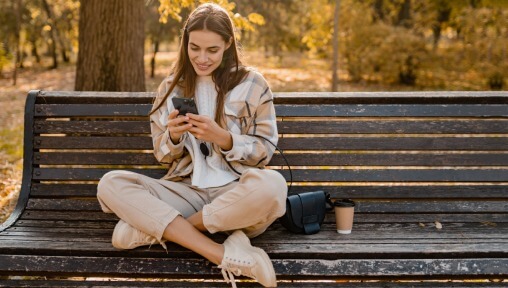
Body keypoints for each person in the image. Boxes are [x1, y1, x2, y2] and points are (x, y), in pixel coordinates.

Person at [96, 3, 287, 287]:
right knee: (110, 184)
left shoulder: (253, 84)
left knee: (273, 186)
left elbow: (265, 150)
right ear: (185, 42)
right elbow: (162, 156)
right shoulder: (171, 86)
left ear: (228, 44)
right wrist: (173, 136)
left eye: (212, 50)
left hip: (236, 195)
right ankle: (221, 252)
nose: (202, 58)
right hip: (186, 191)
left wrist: (223, 138)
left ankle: (155, 230)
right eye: (194, 47)